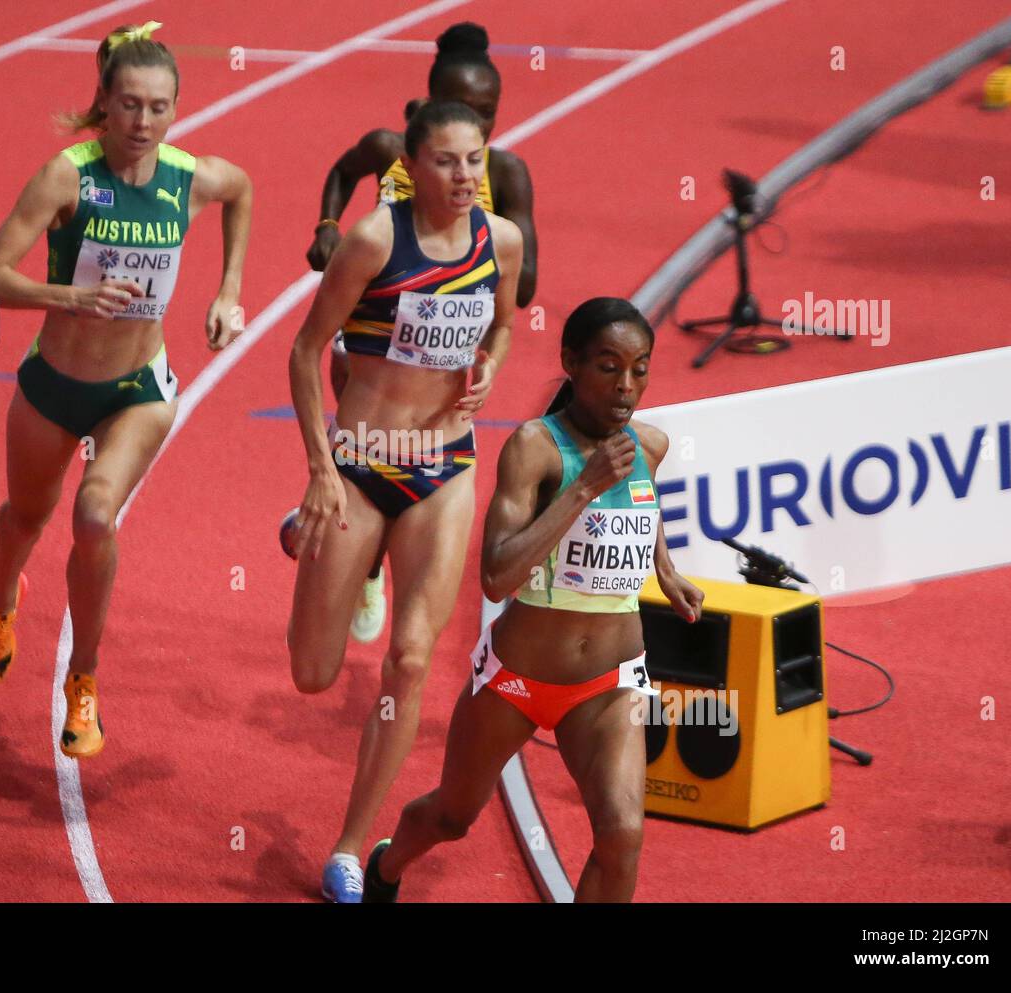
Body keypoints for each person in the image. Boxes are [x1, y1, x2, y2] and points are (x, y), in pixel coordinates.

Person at [0, 21, 252, 759]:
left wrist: (228, 292)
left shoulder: (190, 177)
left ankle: (82, 680)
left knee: (95, 516)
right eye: (129, 105)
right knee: (24, 520)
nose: (143, 122)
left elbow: (242, 189)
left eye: (159, 108)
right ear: (104, 101)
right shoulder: (69, 175)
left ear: (176, 109)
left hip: (138, 386)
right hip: (55, 381)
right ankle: (3, 604)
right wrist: (67, 297)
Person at [359, 298, 705, 903]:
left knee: (622, 834)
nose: (627, 386)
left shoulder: (650, 446)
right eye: (608, 366)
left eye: (640, 368)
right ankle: (387, 867)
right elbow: (496, 576)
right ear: (570, 362)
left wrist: (666, 570)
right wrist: (584, 487)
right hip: (517, 682)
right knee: (451, 817)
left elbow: (639, 512)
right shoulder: (535, 448)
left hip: (610, 682)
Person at [287, 100, 523, 901]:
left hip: (445, 467)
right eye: (449, 162)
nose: (465, 177)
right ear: (413, 166)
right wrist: (320, 468)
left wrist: (490, 360)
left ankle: (350, 847)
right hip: (356, 464)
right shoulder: (375, 241)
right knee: (315, 673)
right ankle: (322, 535)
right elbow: (306, 349)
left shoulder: (503, 241)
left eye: (476, 160)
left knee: (413, 657)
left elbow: (503, 329)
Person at [288, 21, 538, 645]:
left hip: (443, 347)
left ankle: (363, 547)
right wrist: (327, 226)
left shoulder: (502, 175)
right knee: (353, 390)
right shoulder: (389, 148)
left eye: (489, 113)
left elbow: (522, 292)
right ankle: (335, 491)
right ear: (427, 108)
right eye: (467, 108)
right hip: (371, 313)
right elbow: (341, 173)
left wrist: (488, 250)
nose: (480, 121)